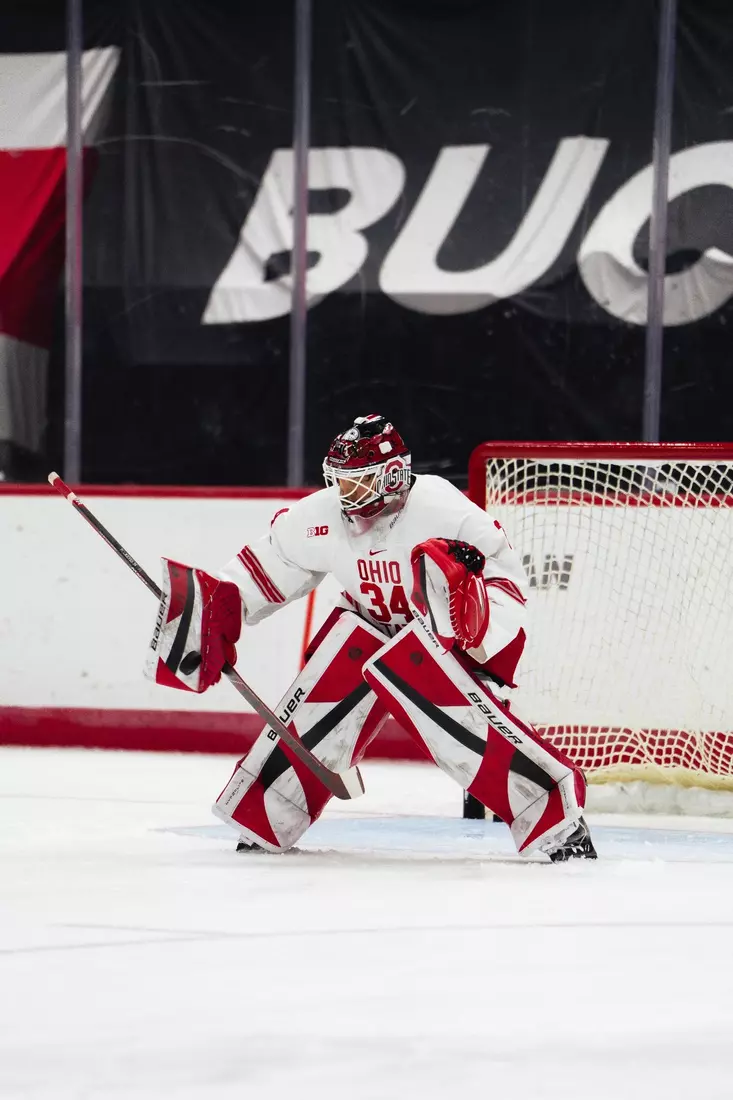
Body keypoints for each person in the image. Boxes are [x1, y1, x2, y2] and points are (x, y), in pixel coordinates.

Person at [146, 414, 596, 862]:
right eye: (340, 481)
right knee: (321, 697)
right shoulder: (322, 515)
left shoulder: (442, 507)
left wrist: (478, 638)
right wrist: (220, 610)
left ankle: (557, 822)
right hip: (368, 625)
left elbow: (503, 577)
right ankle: (265, 817)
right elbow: (268, 564)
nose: (346, 494)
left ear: (395, 476)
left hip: (443, 639)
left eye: (358, 482)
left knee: (463, 733)